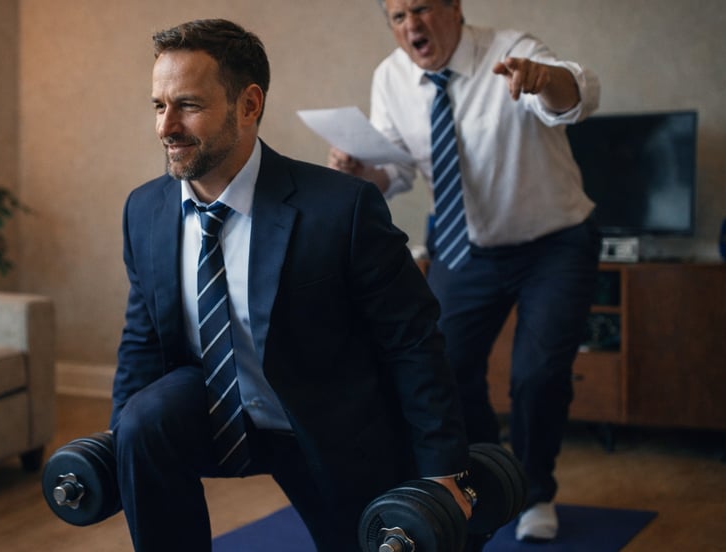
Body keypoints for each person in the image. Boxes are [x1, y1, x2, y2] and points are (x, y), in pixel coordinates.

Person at [110, 18, 474, 551]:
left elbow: (413, 344)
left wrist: (445, 472)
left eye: (187, 105)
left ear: (249, 105)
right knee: (143, 420)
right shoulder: (144, 210)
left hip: (330, 425)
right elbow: (141, 342)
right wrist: (116, 448)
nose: (167, 126)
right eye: (158, 106)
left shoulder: (341, 208)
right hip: (215, 416)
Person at [328, 0, 602, 543]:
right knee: (443, 369)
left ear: (453, 8)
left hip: (554, 245)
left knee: (537, 375)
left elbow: (578, 98)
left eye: (422, 9)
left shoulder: (512, 50)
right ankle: (495, 477)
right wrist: (363, 172)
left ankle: (538, 490)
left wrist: (545, 80)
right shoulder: (391, 77)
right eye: (398, 17)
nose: (411, 27)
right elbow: (396, 171)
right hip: (467, 248)